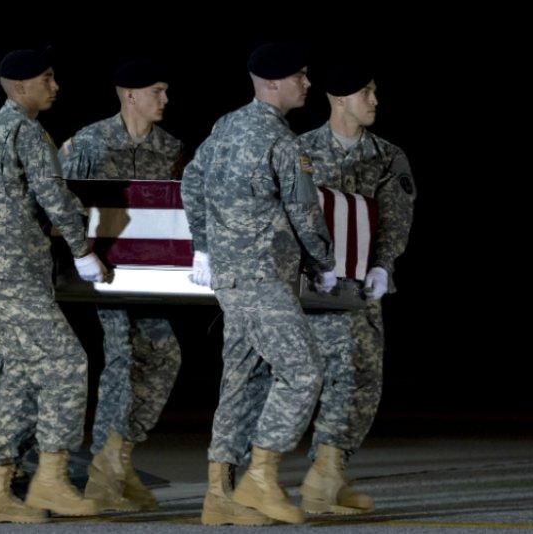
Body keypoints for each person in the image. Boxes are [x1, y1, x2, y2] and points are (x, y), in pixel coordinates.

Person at [0, 48, 108, 523]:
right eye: (47, 79)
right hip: (17, 271)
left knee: (17, 373)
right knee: (66, 362)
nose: (55, 87)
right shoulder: (28, 132)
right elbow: (54, 196)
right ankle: (51, 479)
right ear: (20, 87)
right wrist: (82, 250)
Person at [182, 42, 336, 526]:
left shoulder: (225, 127)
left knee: (243, 379)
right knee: (303, 370)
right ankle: (261, 478)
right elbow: (305, 212)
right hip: (265, 275)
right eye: (300, 76)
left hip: (231, 276)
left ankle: (219, 494)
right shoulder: (281, 140)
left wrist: (205, 246)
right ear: (273, 83)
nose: (307, 84)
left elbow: (191, 180)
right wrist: (324, 262)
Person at [60, 58, 184, 511]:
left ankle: (119, 457)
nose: (165, 99)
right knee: (125, 355)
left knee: (165, 354)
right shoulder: (89, 142)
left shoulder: (171, 148)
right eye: (158, 91)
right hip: (104, 272)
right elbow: (59, 203)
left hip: (153, 275)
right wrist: (78, 259)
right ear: (130, 95)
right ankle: (105, 471)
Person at [295, 60, 415, 515]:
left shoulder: (387, 156)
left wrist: (384, 267)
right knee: (320, 378)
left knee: (362, 380)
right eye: (367, 92)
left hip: (360, 289)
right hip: (309, 288)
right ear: (340, 98)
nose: (375, 101)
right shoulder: (300, 150)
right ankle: (313, 478)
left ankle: (331, 470)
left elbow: (396, 217)